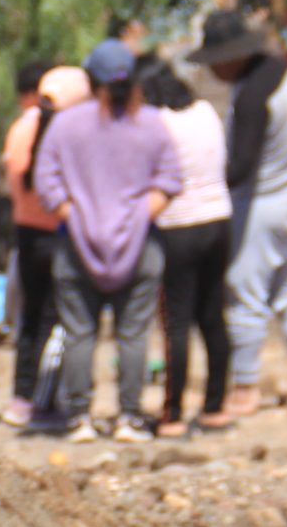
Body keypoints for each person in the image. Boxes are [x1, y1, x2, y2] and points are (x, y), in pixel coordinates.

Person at [31, 39, 180, 441]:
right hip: (141, 248)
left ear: (90, 79)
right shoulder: (150, 122)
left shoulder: (66, 124)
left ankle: (79, 417)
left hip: (75, 247)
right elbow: (170, 179)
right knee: (133, 335)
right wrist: (135, 218)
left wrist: (75, 215)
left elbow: (45, 181)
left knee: (80, 332)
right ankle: (130, 417)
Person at [193, 8, 287, 416]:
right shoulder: (286, 73)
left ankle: (245, 388)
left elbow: (241, 166)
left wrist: (200, 182)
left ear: (231, 57)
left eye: (215, 63)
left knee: (245, 296)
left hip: (259, 206)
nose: (212, 72)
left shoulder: (250, 97)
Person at [142, 61, 234, 432]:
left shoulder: (156, 121)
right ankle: (214, 407)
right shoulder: (205, 111)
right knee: (213, 317)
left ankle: (173, 413)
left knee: (176, 322)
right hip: (219, 220)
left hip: (178, 225)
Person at [0, 61, 91, 425]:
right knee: (60, 320)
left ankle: (21, 398)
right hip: (61, 236)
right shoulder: (75, 136)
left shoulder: (20, 129)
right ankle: (46, 401)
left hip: (26, 235)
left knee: (30, 319)